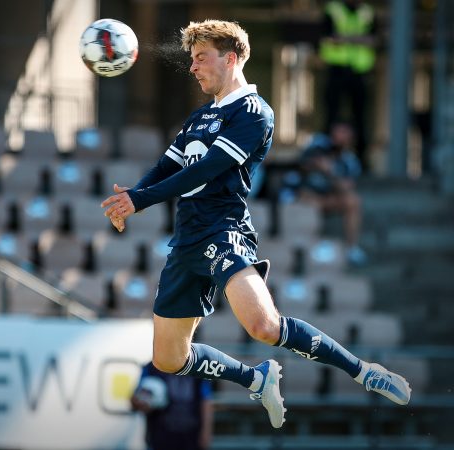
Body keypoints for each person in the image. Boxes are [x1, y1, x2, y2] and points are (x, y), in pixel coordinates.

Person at [101, 19, 410, 429]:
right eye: (192, 59)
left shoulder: (253, 112)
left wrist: (139, 200)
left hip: (224, 232)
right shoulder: (199, 117)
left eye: (201, 58)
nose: (192, 67)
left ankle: (363, 371)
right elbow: (167, 166)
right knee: (169, 360)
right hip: (186, 242)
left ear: (230, 59)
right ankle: (255, 377)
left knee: (264, 326)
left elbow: (208, 169)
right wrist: (131, 197)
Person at [319, 0, 378, 170]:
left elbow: (374, 39)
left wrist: (345, 38)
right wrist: (359, 39)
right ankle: (326, 157)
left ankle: (362, 159)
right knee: (331, 115)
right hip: (336, 70)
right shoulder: (333, 9)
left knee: (360, 117)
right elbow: (329, 37)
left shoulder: (367, 11)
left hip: (359, 71)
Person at [298, 122, 366, 266]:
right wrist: (315, 164)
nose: (339, 137)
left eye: (344, 134)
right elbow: (300, 165)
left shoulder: (350, 161)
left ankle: (352, 248)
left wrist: (330, 171)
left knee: (353, 201)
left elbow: (347, 188)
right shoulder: (317, 146)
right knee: (307, 199)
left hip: (329, 198)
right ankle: (311, 249)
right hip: (306, 197)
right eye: (337, 133)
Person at [131, 361, 215, 450]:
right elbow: (135, 400)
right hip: (160, 434)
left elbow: (206, 401)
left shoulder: (198, 366)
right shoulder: (152, 366)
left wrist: (206, 432)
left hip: (191, 434)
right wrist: (143, 403)